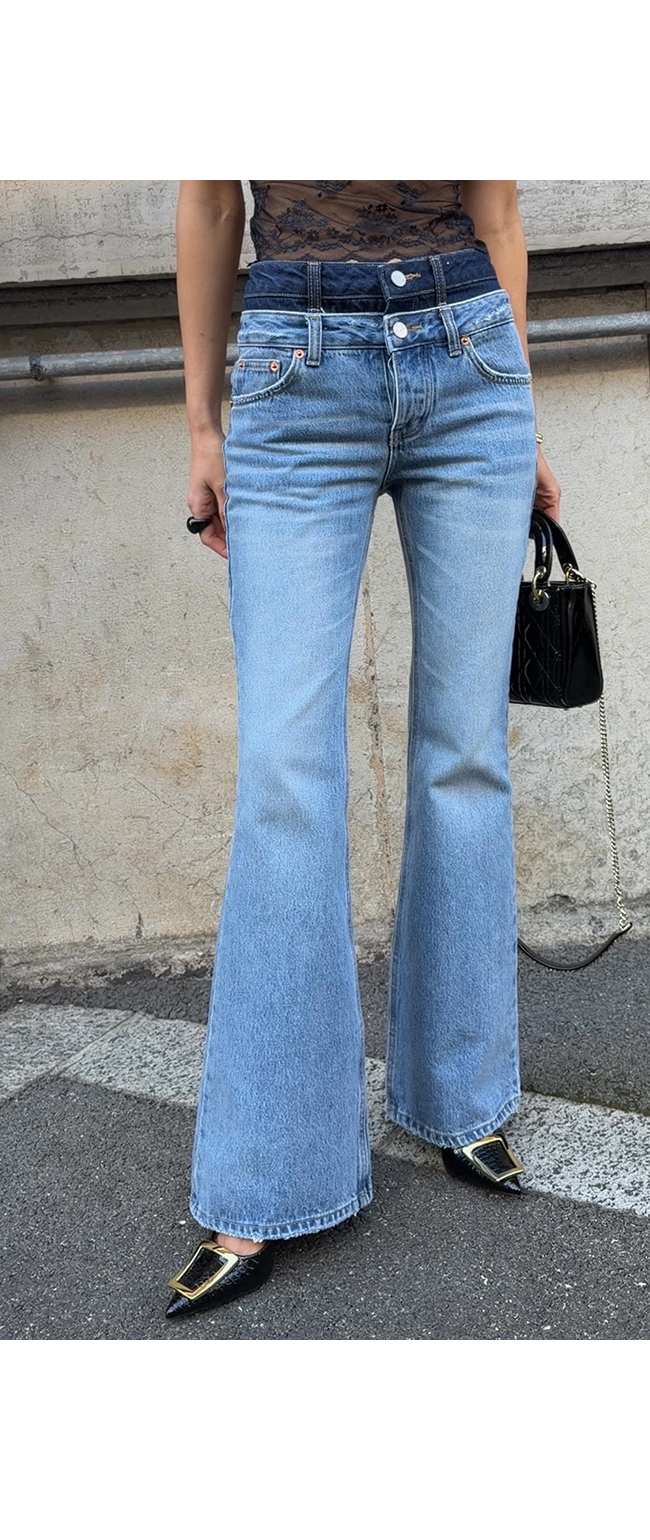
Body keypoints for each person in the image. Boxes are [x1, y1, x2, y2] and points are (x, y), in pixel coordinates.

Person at [166, 181, 561, 1320]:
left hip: (471, 361)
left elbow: (496, 214)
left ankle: (461, 1096)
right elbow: (211, 203)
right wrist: (202, 425)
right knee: (284, 778)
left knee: (464, 755)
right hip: (294, 366)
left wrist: (523, 414)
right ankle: (266, 1176)